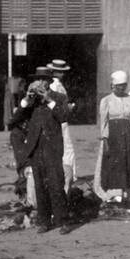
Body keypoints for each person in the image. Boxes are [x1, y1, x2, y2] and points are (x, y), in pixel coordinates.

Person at [8, 79, 71, 233]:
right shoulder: (31, 102)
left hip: (52, 147)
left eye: (41, 85)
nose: (38, 89)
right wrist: (25, 101)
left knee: (56, 183)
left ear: (47, 85)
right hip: (36, 148)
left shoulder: (59, 98)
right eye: (35, 86)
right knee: (40, 185)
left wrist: (49, 100)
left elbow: (63, 116)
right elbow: (13, 121)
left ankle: (62, 221)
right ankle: (44, 221)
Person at [95, 71, 130, 206]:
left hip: (129, 135)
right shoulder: (106, 100)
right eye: (118, 86)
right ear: (112, 86)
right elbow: (104, 122)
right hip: (113, 136)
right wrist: (105, 139)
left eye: (123, 86)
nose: (121, 89)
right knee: (115, 164)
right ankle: (115, 195)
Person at [47, 59, 78, 187]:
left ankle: (68, 175)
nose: (63, 74)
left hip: (61, 119)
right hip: (60, 120)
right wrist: (68, 108)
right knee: (67, 148)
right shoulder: (55, 86)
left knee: (66, 148)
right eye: (61, 72)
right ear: (55, 72)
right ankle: (69, 175)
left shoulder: (58, 84)